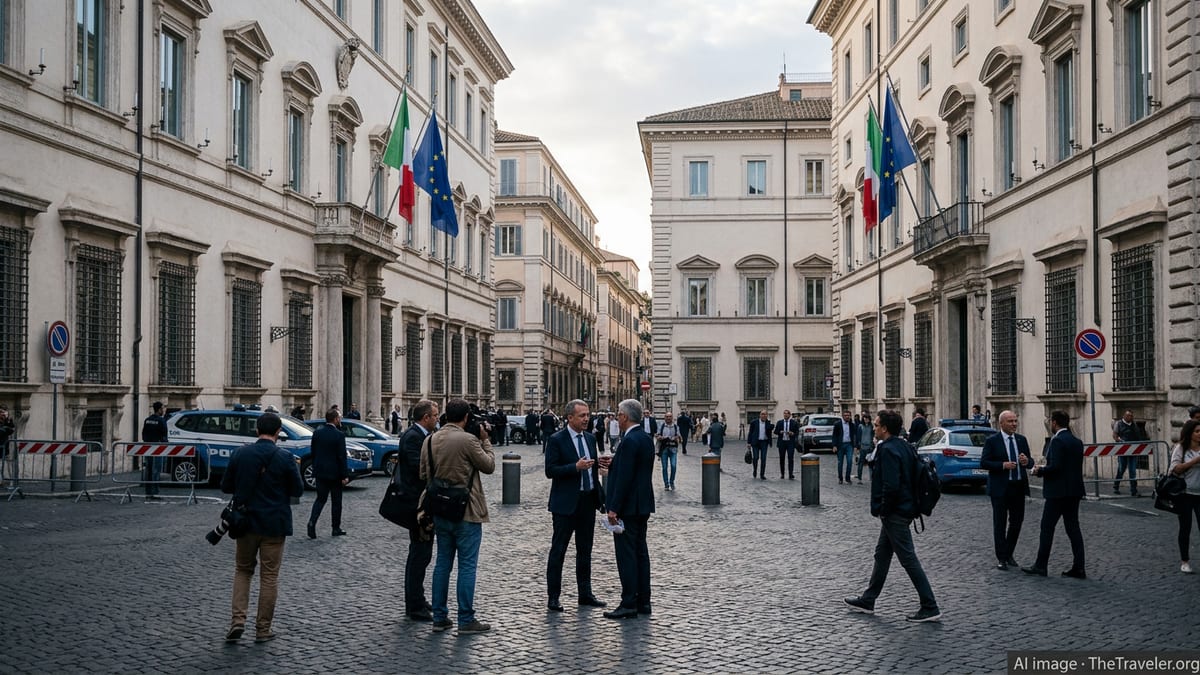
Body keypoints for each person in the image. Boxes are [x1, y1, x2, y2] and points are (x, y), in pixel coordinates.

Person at [844, 409, 941, 622]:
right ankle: (869, 599)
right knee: (882, 554)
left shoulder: (887, 450)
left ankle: (930, 605)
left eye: (877, 425)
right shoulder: (905, 446)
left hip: (895, 513)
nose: (875, 428)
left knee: (908, 558)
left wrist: (883, 510)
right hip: (905, 509)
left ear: (885, 429)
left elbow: (891, 485)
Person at [221, 412, 305, 643]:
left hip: (245, 522)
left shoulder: (241, 454)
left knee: (243, 570)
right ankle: (263, 629)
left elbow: (226, 485)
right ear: (278, 432)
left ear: (257, 430)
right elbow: (297, 491)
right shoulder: (286, 457)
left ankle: (238, 620)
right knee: (269, 576)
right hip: (274, 524)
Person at [422, 398, 496, 634]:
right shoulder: (468, 440)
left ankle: (440, 617)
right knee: (467, 565)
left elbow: (424, 472)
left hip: (440, 510)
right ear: (465, 418)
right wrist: (486, 441)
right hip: (467, 510)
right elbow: (488, 465)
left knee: (442, 563)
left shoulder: (430, 439)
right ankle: (465, 619)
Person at [544, 399, 607, 612]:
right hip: (565, 504)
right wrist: (575, 467)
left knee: (585, 550)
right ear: (570, 418)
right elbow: (550, 470)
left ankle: (585, 593)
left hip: (587, 501)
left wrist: (601, 472)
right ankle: (553, 596)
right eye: (582, 416)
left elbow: (593, 469)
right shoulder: (556, 440)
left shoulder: (590, 439)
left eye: (587, 415)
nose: (586, 419)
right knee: (558, 550)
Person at [603, 399, 655, 620]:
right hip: (642, 504)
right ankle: (644, 601)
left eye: (618, 414)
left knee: (627, 555)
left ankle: (628, 603)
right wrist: (614, 462)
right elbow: (636, 467)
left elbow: (625, 478)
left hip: (628, 507)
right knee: (641, 553)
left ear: (624, 417)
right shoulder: (644, 438)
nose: (617, 417)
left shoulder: (628, 441)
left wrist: (613, 508)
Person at [1023, 410, 1086, 579]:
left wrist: (1039, 470)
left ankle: (1041, 565)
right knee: (1073, 529)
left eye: (1051, 421)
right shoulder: (1077, 441)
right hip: (1074, 491)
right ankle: (1079, 567)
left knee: (1047, 527)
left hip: (1058, 492)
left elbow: (1056, 467)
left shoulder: (1057, 441)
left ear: (1054, 423)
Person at [398, 399, 439, 621]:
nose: (437, 419)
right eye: (435, 415)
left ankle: (418, 598)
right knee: (418, 555)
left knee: (421, 555)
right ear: (426, 418)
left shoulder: (419, 436)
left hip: (420, 503)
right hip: (416, 505)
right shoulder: (414, 437)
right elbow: (418, 469)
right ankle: (414, 606)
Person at [979, 410, 1031, 570]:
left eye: (1015, 421)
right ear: (1001, 423)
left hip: (1018, 486)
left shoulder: (1022, 440)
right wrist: (1002, 465)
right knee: (1000, 524)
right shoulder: (992, 441)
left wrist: (1027, 461)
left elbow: (1029, 462)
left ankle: (1009, 553)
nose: (1014, 424)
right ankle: (1002, 557)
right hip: (1000, 488)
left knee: (1016, 523)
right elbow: (984, 462)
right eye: (1010, 421)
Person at [306, 408, 349, 538]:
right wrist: (344, 475)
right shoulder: (339, 435)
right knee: (336, 502)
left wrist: (316, 467)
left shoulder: (317, 434)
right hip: (335, 473)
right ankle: (335, 528)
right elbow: (341, 457)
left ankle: (312, 522)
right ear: (335, 419)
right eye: (339, 417)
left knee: (320, 499)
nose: (340, 419)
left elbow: (313, 453)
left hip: (320, 472)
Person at [1170, 420, 1200, 574]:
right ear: (1190, 434)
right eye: (1197, 431)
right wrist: (1195, 461)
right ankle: (1185, 561)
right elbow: (1175, 469)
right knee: (1185, 528)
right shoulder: (1180, 449)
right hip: (1185, 494)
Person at [140, 401, 169, 499]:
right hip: (158, 449)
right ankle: (155, 492)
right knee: (156, 470)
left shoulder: (147, 420)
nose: (163, 410)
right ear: (159, 409)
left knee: (149, 470)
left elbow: (143, 434)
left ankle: (148, 491)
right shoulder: (161, 421)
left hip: (148, 448)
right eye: (162, 408)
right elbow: (164, 436)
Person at [1112, 410, 1142, 496]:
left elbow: (1137, 435)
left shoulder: (1134, 424)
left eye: (1131, 416)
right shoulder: (1118, 424)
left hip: (1133, 450)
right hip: (1123, 450)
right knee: (1121, 468)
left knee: (1132, 470)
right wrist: (1120, 440)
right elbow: (1115, 435)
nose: (1131, 417)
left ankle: (1133, 490)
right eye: (1129, 416)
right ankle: (1116, 486)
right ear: (1124, 416)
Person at [656, 412, 681, 490]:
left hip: (673, 449)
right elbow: (657, 435)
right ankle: (666, 484)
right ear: (664, 418)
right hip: (664, 449)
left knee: (673, 466)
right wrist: (661, 437)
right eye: (667, 416)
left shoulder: (676, 427)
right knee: (664, 467)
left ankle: (672, 482)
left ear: (672, 418)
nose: (668, 418)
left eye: (670, 416)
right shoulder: (662, 426)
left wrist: (675, 437)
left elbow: (679, 436)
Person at [746, 410, 772, 480]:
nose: (764, 416)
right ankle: (755, 470)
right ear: (760, 415)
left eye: (765, 414)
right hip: (755, 442)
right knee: (756, 457)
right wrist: (749, 442)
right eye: (762, 414)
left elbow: (769, 432)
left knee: (763, 458)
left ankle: (762, 474)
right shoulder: (754, 422)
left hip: (764, 442)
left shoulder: (768, 423)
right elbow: (750, 432)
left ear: (767, 416)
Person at [775, 410, 800, 480]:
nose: (785, 415)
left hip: (790, 442)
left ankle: (790, 474)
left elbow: (797, 432)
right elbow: (775, 431)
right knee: (782, 458)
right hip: (782, 442)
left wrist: (793, 433)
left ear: (789, 415)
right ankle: (782, 474)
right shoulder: (780, 422)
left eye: (787, 414)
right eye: (784, 413)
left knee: (790, 458)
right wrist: (780, 432)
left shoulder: (794, 423)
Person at [833, 410, 854, 485]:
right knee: (840, 463)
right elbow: (834, 435)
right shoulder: (837, 424)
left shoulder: (852, 425)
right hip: (840, 445)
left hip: (849, 445)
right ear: (843, 416)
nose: (847, 417)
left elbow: (854, 435)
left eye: (848, 415)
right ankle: (840, 478)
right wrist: (834, 445)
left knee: (849, 461)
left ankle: (847, 478)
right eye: (845, 415)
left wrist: (855, 445)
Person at [856, 413, 873, 484]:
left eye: (867, 418)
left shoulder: (871, 427)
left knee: (871, 463)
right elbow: (858, 437)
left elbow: (873, 436)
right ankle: (859, 479)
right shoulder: (860, 426)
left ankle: (871, 478)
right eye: (865, 418)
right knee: (860, 463)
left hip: (869, 447)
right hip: (862, 447)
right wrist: (857, 447)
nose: (866, 419)